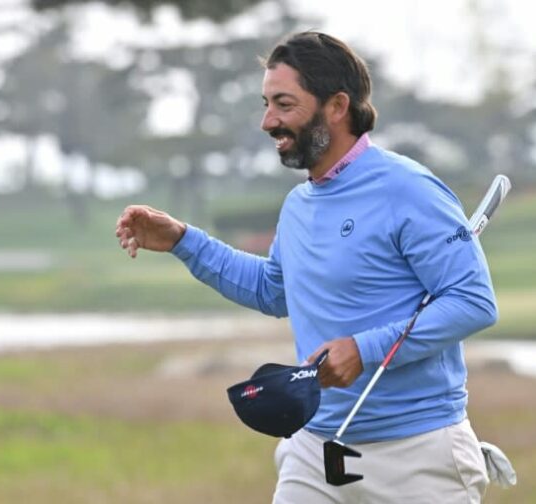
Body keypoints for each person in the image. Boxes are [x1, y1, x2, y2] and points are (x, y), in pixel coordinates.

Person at [116, 31, 497, 504]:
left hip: (418, 457)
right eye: (266, 103)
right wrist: (183, 241)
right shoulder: (299, 204)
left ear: (337, 106)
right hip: (316, 450)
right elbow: (275, 290)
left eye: (283, 104)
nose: (267, 121)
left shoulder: (410, 189)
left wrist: (363, 348)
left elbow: (473, 301)